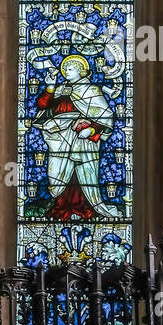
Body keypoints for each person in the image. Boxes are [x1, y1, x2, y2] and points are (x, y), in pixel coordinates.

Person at [32, 54, 121, 219]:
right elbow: (42, 105)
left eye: (70, 68)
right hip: (58, 136)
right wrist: (50, 87)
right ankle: (61, 206)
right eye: (65, 68)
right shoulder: (61, 89)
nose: (66, 71)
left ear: (82, 72)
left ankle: (85, 207)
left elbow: (105, 116)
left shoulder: (92, 90)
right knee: (56, 174)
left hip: (83, 138)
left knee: (82, 172)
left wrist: (93, 130)